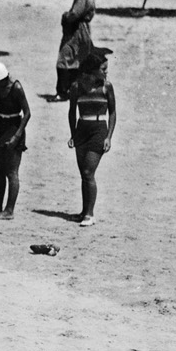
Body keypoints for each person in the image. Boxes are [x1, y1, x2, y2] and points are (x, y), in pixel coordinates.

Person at [67, 50, 116, 227]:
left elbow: (113, 112)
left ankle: (90, 214)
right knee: (84, 174)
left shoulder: (106, 87)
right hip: (81, 129)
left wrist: (109, 137)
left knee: (89, 172)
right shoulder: (76, 87)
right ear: (92, 69)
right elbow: (72, 112)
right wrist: (72, 134)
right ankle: (83, 211)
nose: (105, 72)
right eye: (103, 69)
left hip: (98, 131)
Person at [0, 61, 30, 219]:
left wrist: (17, 136)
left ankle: (9, 210)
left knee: (12, 172)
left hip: (14, 126)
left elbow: (27, 113)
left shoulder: (16, 88)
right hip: (1, 126)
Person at [55, 0, 98, 100]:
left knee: (64, 58)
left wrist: (65, 16)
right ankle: (74, 90)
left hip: (76, 29)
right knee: (76, 58)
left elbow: (75, 13)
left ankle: (63, 92)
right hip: (84, 29)